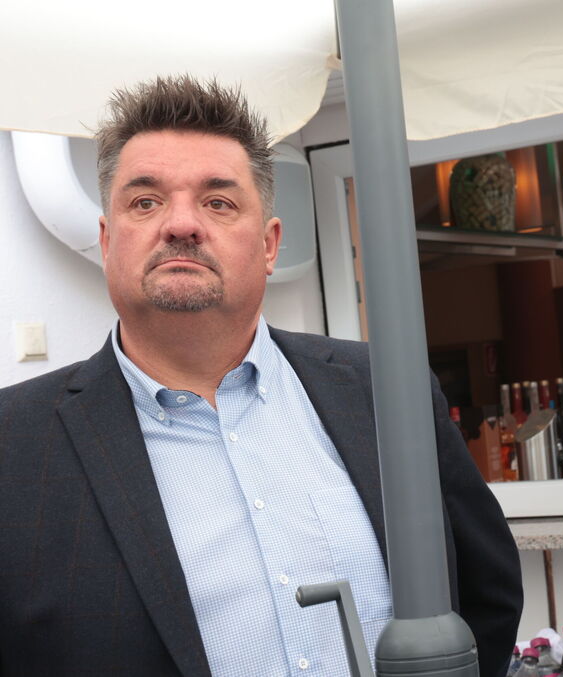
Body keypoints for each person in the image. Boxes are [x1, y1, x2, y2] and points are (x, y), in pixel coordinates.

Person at [0, 75, 521, 676]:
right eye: (145, 202)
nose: (181, 224)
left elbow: (487, 594)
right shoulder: (15, 444)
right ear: (107, 240)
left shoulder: (383, 390)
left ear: (270, 245)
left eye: (218, 202)